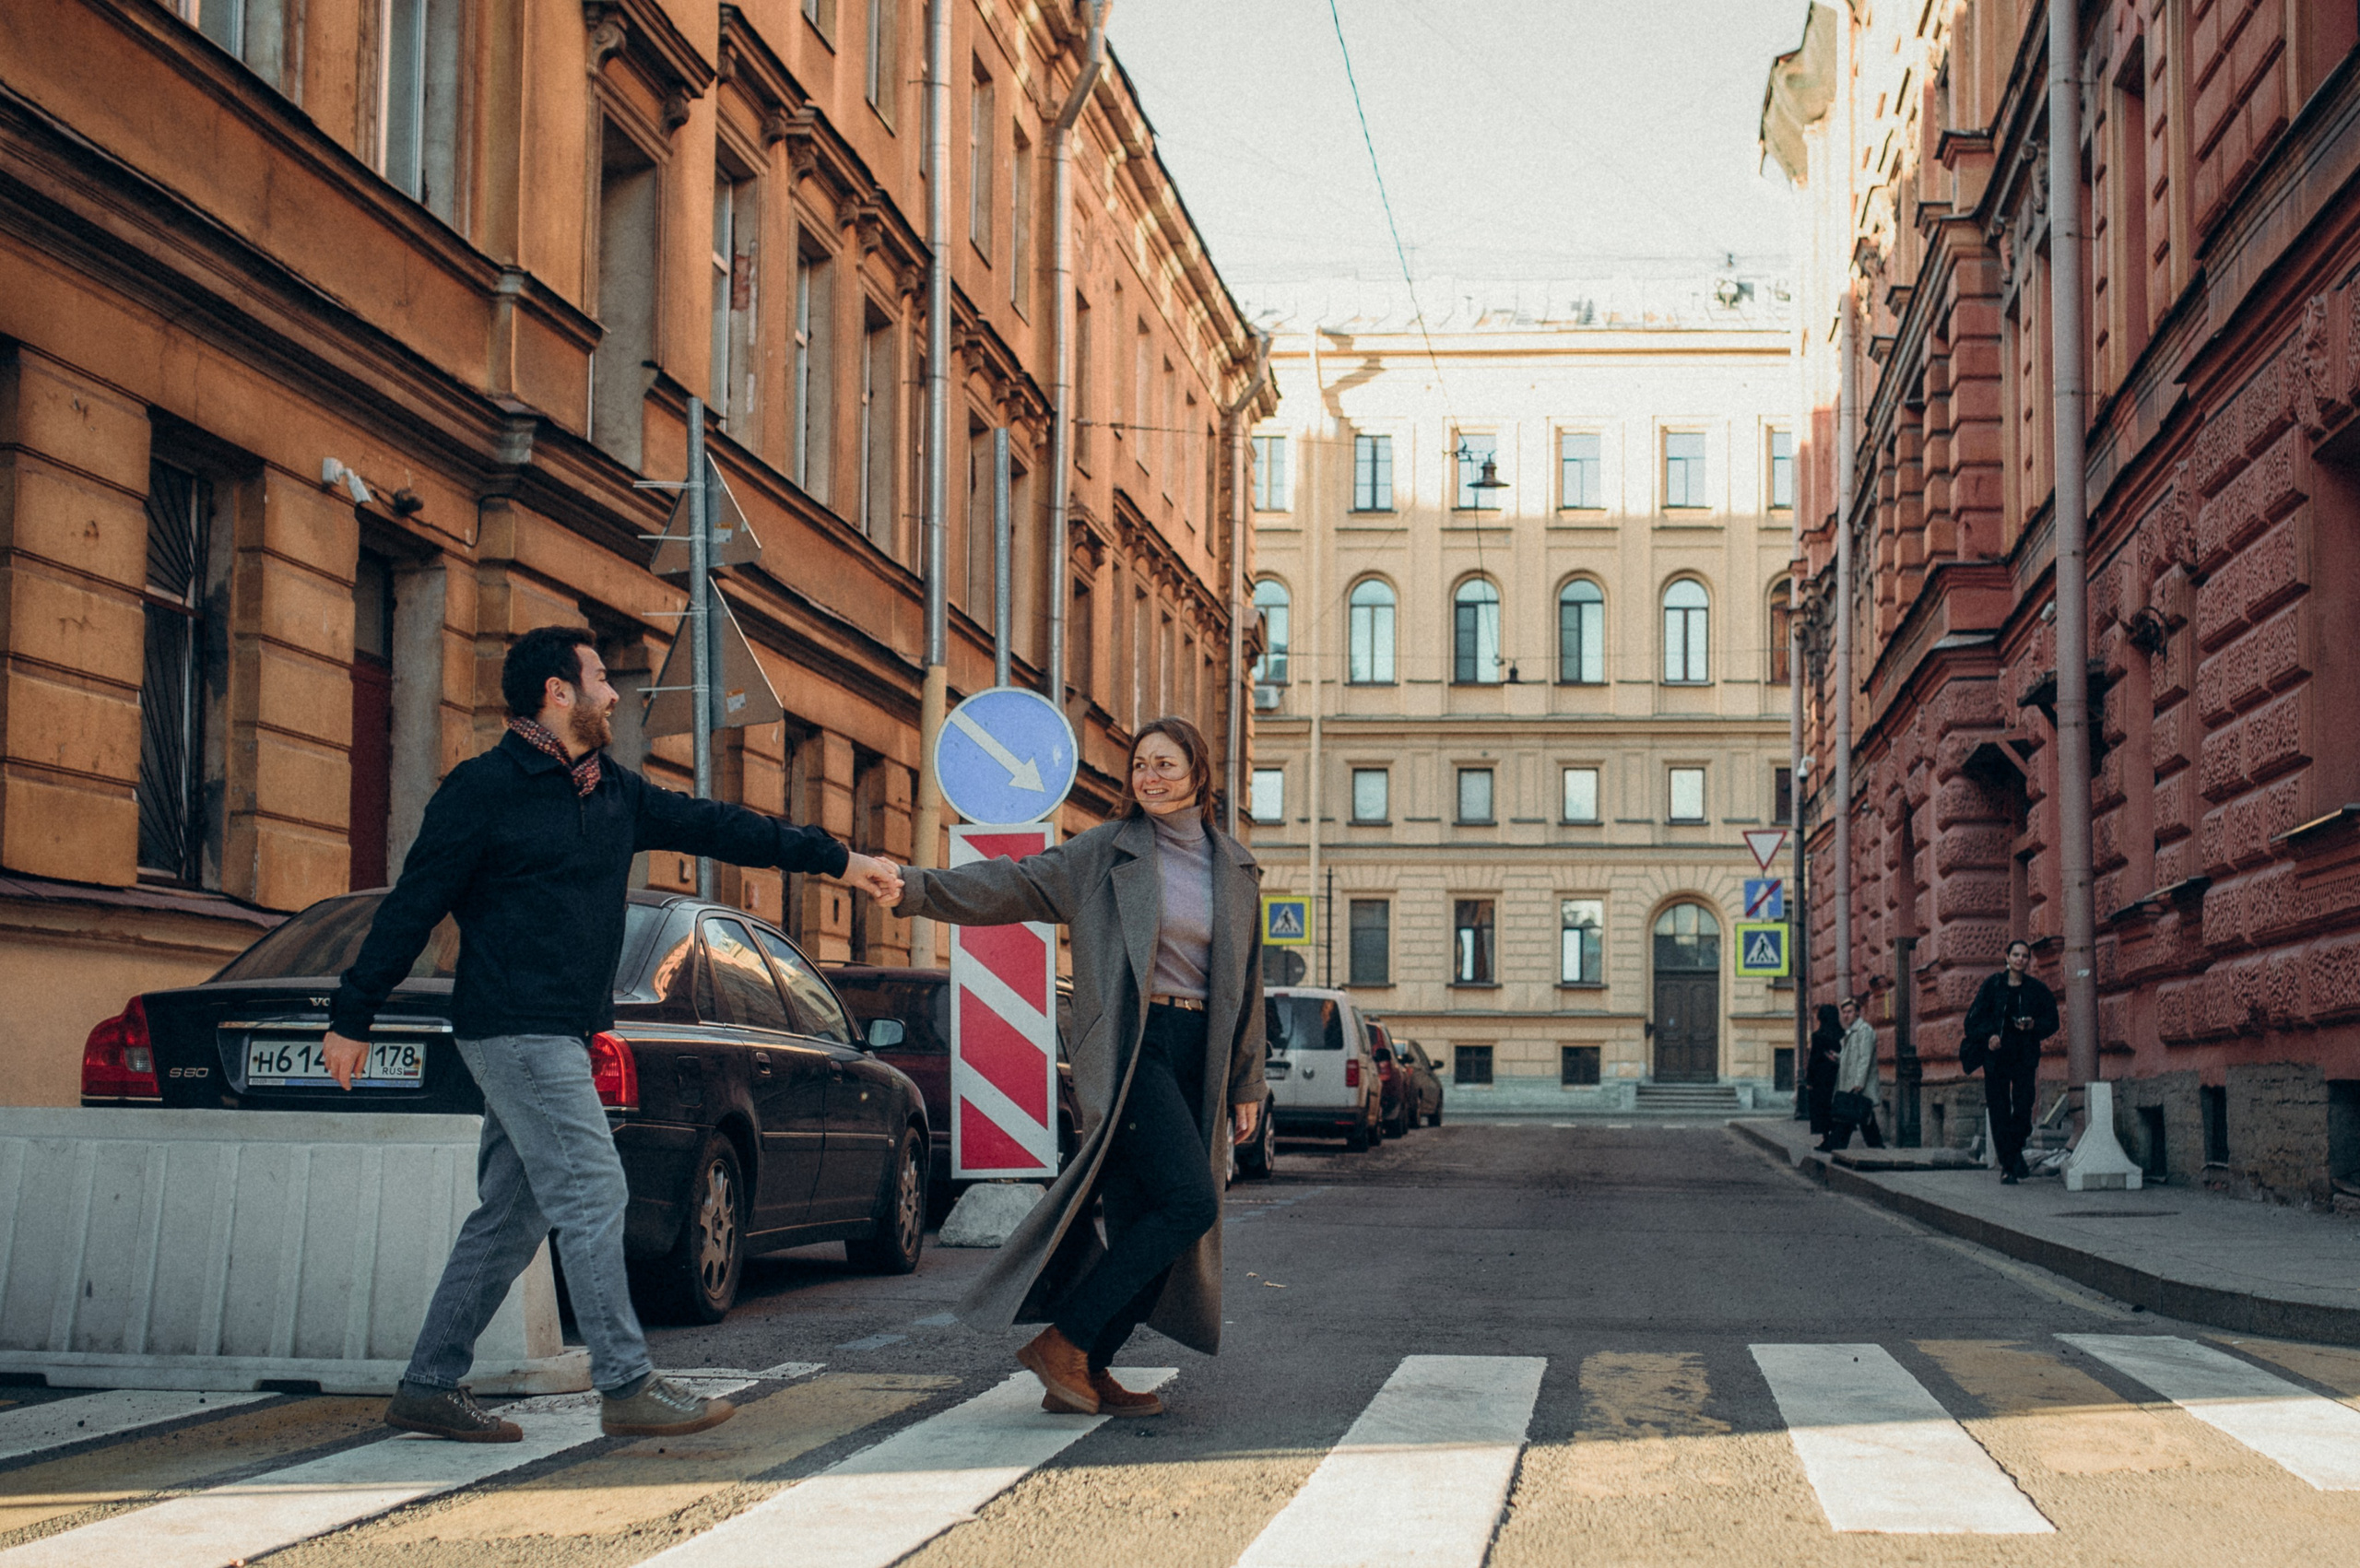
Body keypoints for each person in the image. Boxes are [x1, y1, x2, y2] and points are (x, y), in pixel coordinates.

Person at [321, 626, 903, 1443]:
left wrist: (839, 860)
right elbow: (412, 904)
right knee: (595, 1190)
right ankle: (625, 1380)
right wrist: (354, 1013)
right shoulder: (482, 789)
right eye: (599, 677)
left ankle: (428, 1382)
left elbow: (724, 825)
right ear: (557, 692)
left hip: (564, 1028)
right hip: (513, 1026)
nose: (613, 692)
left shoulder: (613, 791)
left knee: (512, 1216)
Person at [891, 715, 1264, 1418]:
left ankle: (1087, 1363)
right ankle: (1069, 1340)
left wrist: (1248, 1078)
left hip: (1199, 1053)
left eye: (1165, 764)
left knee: (1149, 1220)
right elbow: (1011, 885)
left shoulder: (1236, 867)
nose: (1149, 777)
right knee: (1190, 1202)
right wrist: (913, 887)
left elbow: (1248, 983)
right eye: (1140, 765)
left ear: (1199, 775)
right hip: (1133, 1048)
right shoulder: (1104, 852)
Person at [1963, 938, 2059, 1184]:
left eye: (2025, 956)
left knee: (2024, 1106)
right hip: (1996, 1058)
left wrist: (2033, 1025)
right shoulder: (1993, 986)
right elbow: (1972, 1020)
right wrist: (1989, 1037)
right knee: (1999, 1110)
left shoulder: (2036, 989)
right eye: (2016, 955)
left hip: (2024, 1057)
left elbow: (2053, 1020)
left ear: (2028, 960)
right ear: (2007, 957)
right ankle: (2009, 1165)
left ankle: (2014, 1154)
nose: (2020, 960)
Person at [1818, 995, 1885, 1152]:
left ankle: (1836, 1145)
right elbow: (1851, 1058)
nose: (1846, 1015)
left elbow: (1865, 1058)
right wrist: (1837, 1057)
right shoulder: (1852, 1032)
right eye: (1844, 1012)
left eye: (1849, 1012)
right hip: (1851, 1081)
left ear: (1857, 1013)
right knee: (1860, 1115)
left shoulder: (1864, 1031)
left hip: (1858, 1083)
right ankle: (1876, 1146)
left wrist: (1859, 1083)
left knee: (1851, 1114)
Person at [1805, 1003, 1844, 1138]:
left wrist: (1809, 1080)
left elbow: (1813, 1059)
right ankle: (1836, 1135)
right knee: (1836, 1107)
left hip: (1820, 1079)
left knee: (1822, 1108)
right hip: (1838, 1076)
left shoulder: (1818, 1036)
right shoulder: (1842, 1034)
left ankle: (1826, 1137)